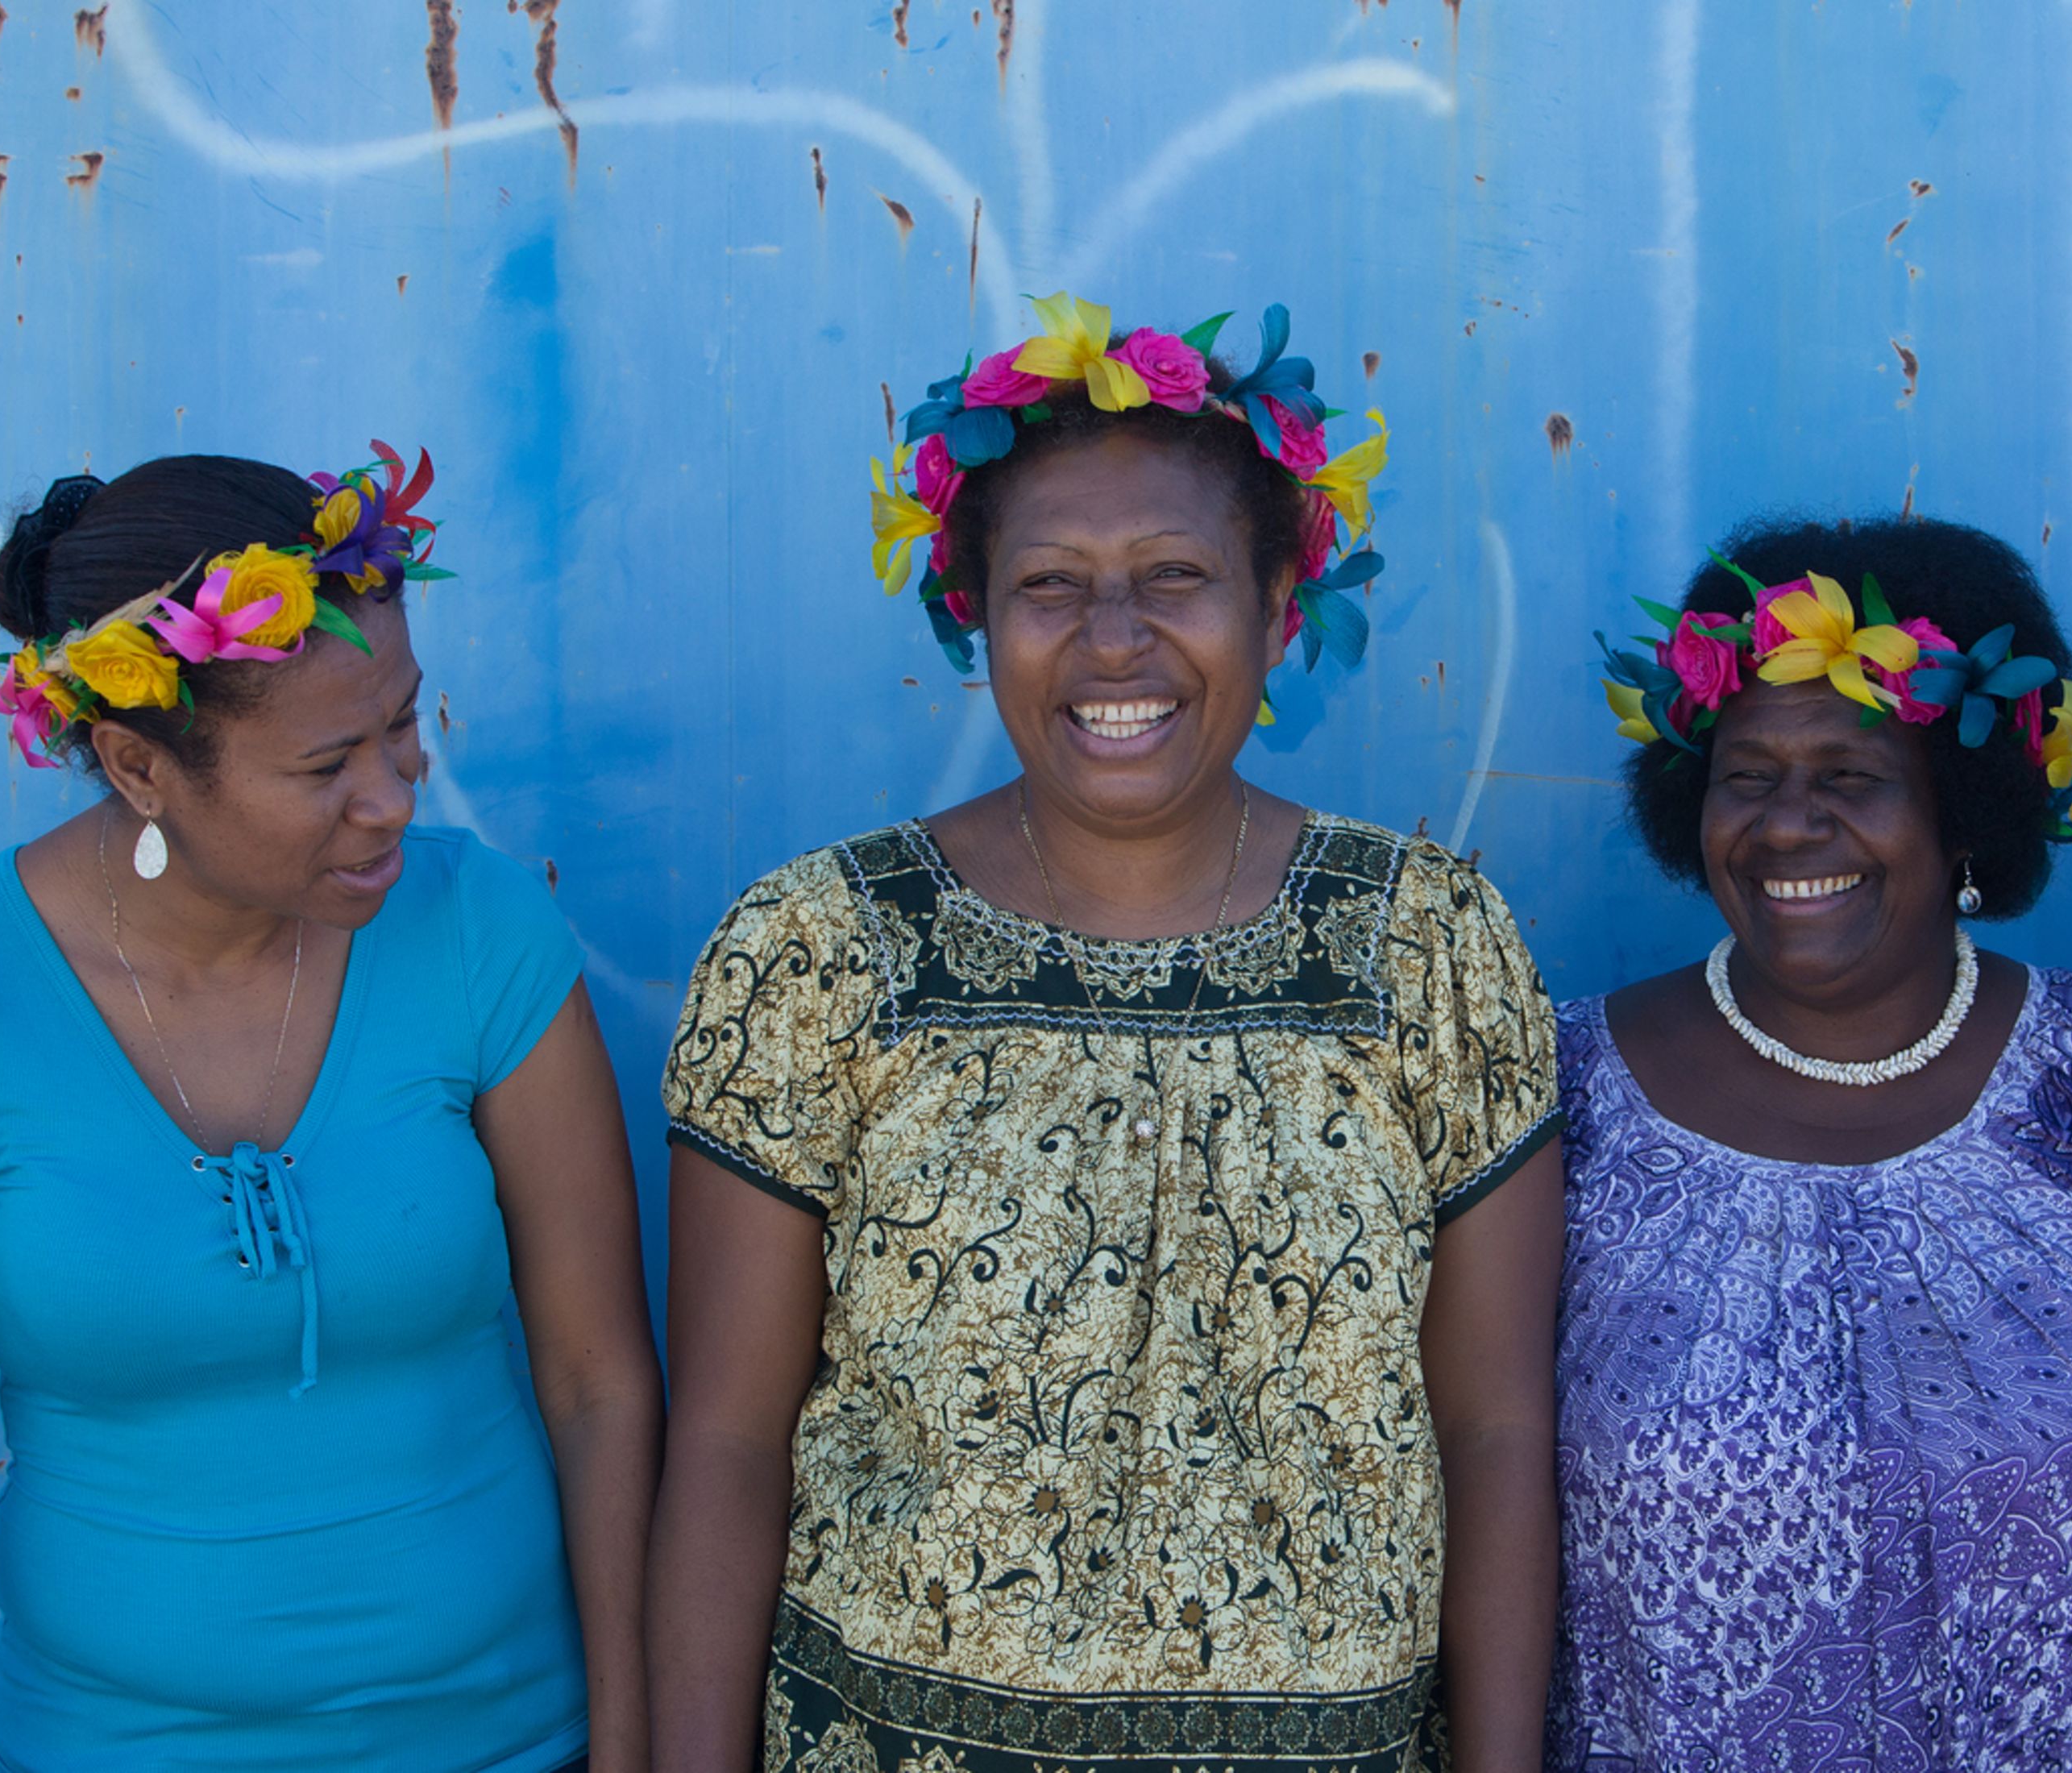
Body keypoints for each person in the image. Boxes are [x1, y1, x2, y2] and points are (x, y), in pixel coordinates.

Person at [648, 293, 1565, 1773]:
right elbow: (730, 1444)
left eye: (1177, 577)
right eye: (1052, 585)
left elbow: (1501, 1430)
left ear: (1279, 610)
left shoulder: (1429, 945)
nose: (1115, 641)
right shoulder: (822, 947)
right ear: (979, 616)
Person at [0, 450, 660, 1772]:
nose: (394, 796)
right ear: (137, 767)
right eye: (327, 764)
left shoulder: (477, 929)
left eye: (402, 725)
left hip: (508, 1744)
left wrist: (630, 1745)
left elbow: (600, 1381)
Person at [1551, 517, 2072, 1771]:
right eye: (1750, 774)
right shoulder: (1564, 1094)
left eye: (1851, 777)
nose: (1787, 825)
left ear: (1964, 816)